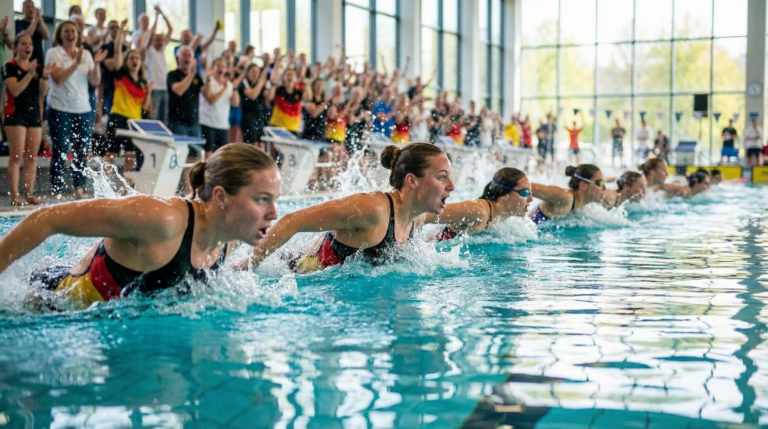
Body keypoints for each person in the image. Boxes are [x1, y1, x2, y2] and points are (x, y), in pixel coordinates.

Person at [0, 144, 280, 310]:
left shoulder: (227, 238)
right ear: (221, 197)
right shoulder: (163, 220)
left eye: (274, 200)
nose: (274, 213)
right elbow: (47, 218)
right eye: (261, 199)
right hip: (47, 304)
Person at [239, 143, 455, 272]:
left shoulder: (415, 217)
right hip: (297, 272)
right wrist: (247, 265)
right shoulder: (374, 209)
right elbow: (291, 221)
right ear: (412, 180)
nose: (451, 186)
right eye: (441, 177)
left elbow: (467, 210)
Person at [45, 21, 107, 198]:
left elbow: (94, 81)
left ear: (78, 35)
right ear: (60, 34)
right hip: (59, 108)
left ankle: (79, 188)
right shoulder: (54, 53)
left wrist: (96, 64)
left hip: (83, 109)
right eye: (66, 31)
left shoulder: (86, 54)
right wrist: (75, 63)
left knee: (81, 151)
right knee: (61, 149)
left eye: (73, 31)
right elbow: (58, 79)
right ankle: (56, 190)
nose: (70, 34)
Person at [3, 34, 54, 205]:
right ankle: (15, 196)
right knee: (16, 156)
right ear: (15, 47)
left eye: (30, 44)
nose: (28, 46)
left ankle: (29, 194)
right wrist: (30, 74)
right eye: (23, 43)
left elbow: (43, 92)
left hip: (33, 114)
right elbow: (15, 90)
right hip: (15, 113)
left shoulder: (37, 68)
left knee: (32, 157)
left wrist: (44, 76)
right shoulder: (10, 66)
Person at [425, 168, 533, 240]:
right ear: (505, 194)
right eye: (525, 192)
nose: (531, 199)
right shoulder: (479, 211)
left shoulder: (503, 219)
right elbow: (425, 215)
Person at [105, 20, 152, 173]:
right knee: (111, 152)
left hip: (135, 122)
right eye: (131, 58)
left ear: (140, 62)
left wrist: (149, 92)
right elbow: (117, 51)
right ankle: (105, 182)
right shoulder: (121, 75)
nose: (134, 60)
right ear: (126, 62)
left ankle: (127, 186)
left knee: (131, 155)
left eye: (137, 58)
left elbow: (146, 107)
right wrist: (121, 30)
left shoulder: (143, 83)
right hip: (117, 116)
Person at [529, 164, 605, 224]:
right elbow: (527, 187)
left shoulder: (584, 206)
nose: (604, 187)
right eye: (600, 183)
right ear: (583, 185)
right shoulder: (565, 197)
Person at [199, 58, 239, 159]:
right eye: (218, 66)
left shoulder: (229, 84)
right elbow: (211, 100)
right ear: (213, 68)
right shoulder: (208, 81)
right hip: (208, 123)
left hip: (223, 125)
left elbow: (235, 103)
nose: (221, 68)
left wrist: (234, 87)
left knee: (221, 155)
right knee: (207, 155)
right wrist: (223, 89)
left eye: (223, 66)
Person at [143, 6, 173, 123]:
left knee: (164, 120)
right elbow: (151, 33)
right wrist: (156, 17)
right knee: (152, 119)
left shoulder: (162, 51)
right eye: (157, 39)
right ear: (153, 41)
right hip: (154, 89)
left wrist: (162, 14)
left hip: (164, 89)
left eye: (161, 39)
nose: (160, 42)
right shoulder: (150, 50)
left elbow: (170, 29)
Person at [99, 20, 130, 118]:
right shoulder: (105, 47)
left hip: (125, 88)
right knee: (111, 118)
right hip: (110, 88)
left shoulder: (125, 47)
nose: (115, 30)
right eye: (112, 27)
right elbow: (111, 66)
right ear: (108, 30)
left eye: (117, 27)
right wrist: (125, 55)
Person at [239, 63, 269, 147]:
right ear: (247, 73)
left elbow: (269, 97)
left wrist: (272, 84)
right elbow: (252, 95)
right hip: (248, 118)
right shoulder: (245, 82)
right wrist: (261, 83)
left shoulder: (260, 85)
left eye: (257, 72)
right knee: (251, 146)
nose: (255, 74)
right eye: (253, 72)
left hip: (260, 117)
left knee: (261, 145)